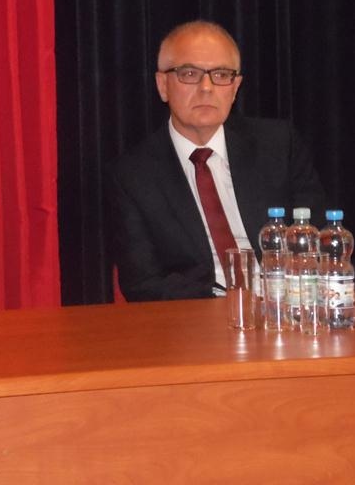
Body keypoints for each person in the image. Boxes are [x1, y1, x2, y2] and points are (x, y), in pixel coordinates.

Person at [109, 20, 325, 301]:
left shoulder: (279, 145)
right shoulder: (134, 174)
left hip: (285, 306)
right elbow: (142, 283)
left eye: (221, 75)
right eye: (189, 74)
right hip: (197, 314)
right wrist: (225, 303)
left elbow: (319, 241)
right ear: (163, 85)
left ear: (235, 88)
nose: (206, 87)